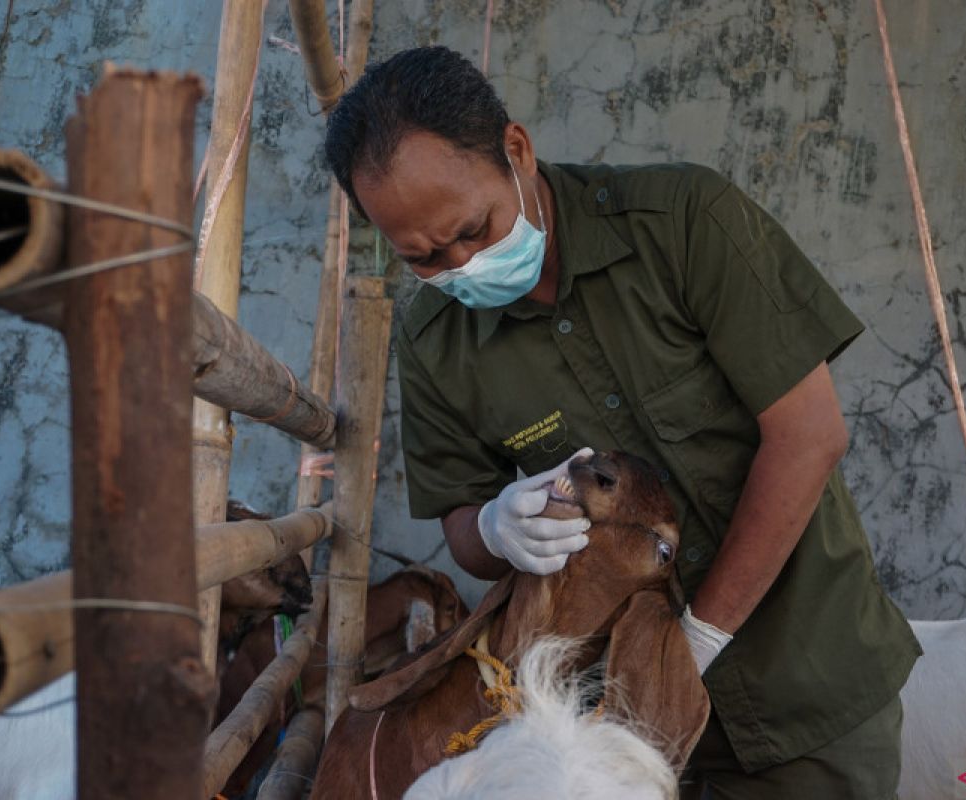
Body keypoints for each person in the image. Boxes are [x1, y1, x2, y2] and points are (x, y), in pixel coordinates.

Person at [324, 45, 922, 799]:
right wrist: (501, 525)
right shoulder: (432, 340)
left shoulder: (683, 224)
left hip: (806, 686)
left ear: (516, 150)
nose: (460, 264)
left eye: (472, 229)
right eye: (423, 258)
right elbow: (463, 530)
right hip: (603, 725)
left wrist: (695, 639)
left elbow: (809, 437)